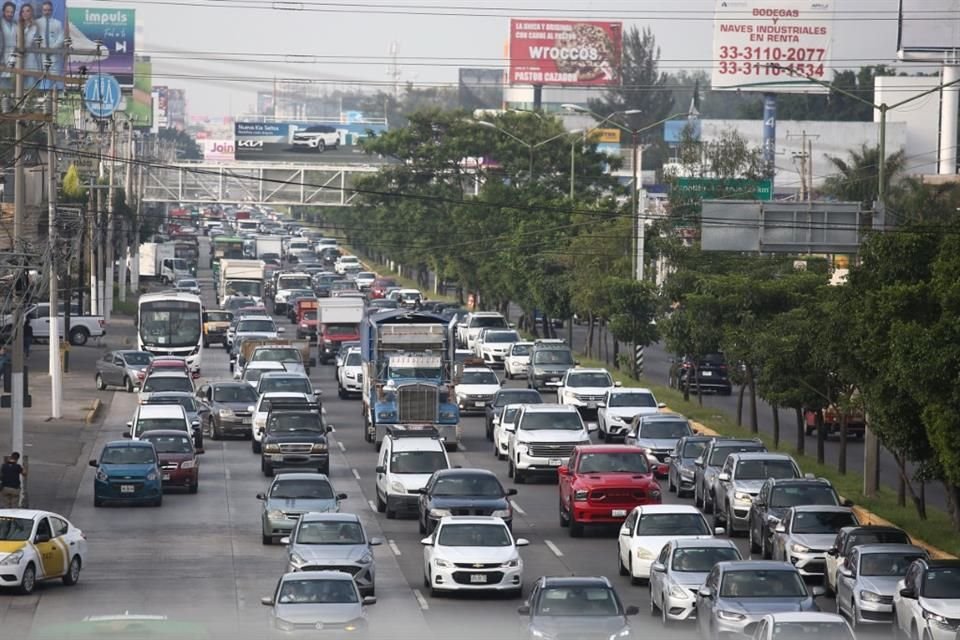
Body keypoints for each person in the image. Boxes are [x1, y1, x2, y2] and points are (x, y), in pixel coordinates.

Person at [34, 0, 63, 87]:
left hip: (54, 56)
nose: (47, 12)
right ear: (42, 11)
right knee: (41, 80)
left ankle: (55, 98)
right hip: (41, 56)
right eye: (45, 10)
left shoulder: (58, 23)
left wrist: (51, 49)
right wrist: (42, 48)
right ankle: (41, 98)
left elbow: (61, 39)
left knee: (55, 80)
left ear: (52, 10)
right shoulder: (37, 23)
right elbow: (34, 38)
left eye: (49, 10)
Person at [0, 2, 16, 87]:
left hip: (13, 59)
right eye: (7, 12)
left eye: (12, 12)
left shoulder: (16, 25)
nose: (10, 14)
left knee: (11, 86)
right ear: (3, 12)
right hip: (2, 59)